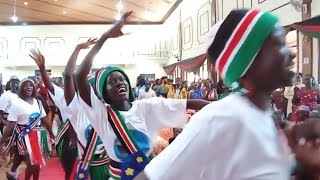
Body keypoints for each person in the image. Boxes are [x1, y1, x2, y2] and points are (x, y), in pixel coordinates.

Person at [142, 9, 320, 180]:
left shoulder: (263, 115)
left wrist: (305, 166)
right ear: (253, 61)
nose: (292, 53)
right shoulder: (220, 118)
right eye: (279, 44)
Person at [74, 11, 209, 180]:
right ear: (103, 91)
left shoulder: (146, 106)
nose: (119, 83)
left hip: (148, 174)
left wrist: (215, 105)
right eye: (112, 82)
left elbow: (186, 103)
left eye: (122, 79)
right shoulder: (101, 115)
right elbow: (79, 76)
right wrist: (104, 37)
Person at [0, 78, 54, 180]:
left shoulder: (37, 102)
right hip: (24, 137)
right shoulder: (16, 104)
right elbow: (11, 124)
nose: (28, 87)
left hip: (38, 136)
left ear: (34, 88)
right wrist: (2, 141)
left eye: (30, 85)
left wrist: (51, 133)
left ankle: (14, 174)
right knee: (32, 163)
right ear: (21, 88)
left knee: (37, 163)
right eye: (25, 85)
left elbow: (43, 119)